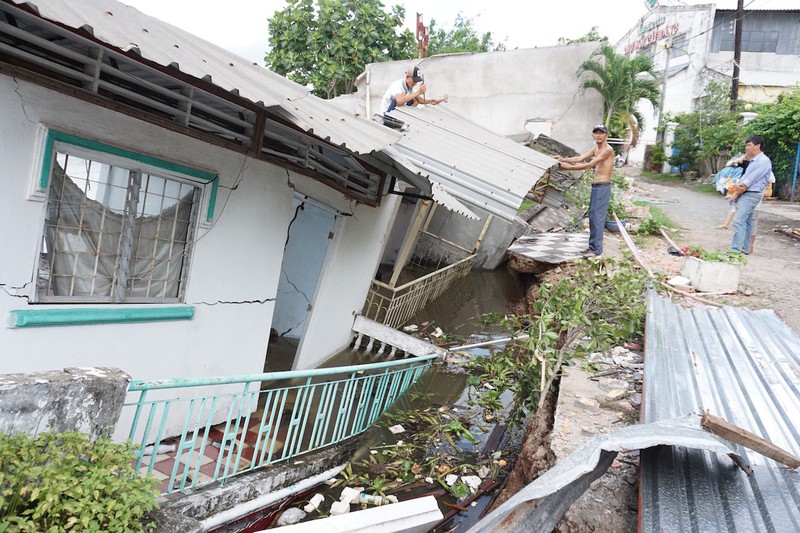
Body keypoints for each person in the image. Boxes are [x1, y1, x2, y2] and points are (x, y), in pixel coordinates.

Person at [556, 124, 615, 257]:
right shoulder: (596, 148)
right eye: (596, 133)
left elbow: (589, 164)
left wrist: (567, 168)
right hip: (596, 186)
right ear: (593, 135)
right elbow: (580, 158)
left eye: (602, 133)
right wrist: (562, 159)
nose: (599, 135)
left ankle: (596, 250)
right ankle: (591, 247)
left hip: (603, 186)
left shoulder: (607, 150)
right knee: (593, 217)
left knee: (598, 218)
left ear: (606, 135)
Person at [730, 136, 772, 254]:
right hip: (747, 193)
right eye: (746, 145)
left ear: (758, 146)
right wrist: (736, 190)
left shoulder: (763, 161)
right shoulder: (754, 161)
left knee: (739, 221)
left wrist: (736, 193)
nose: (746, 147)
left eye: (749, 145)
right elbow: (743, 178)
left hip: (751, 194)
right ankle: (745, 248)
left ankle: (735, 250)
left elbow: (747, 183)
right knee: (747, 221)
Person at [378, 65, 444, 116]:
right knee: (402, 97)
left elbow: (419, 100)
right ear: (407, 77)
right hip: (387, 113)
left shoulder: (410, 88)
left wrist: (431, 101)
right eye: (414, 81)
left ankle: (407, 114)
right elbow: (399, 102)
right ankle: (404, 114)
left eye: (416, 81)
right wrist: (419, 92)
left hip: (397, 113)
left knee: (415, 99)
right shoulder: (397, 85)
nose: (415, 83)